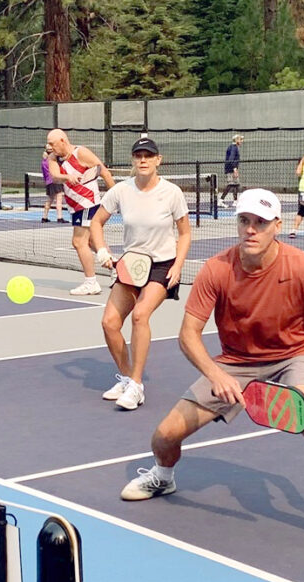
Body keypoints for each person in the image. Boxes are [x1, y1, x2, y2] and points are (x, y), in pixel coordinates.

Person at [119, 187, 304, 565]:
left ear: (276, 226)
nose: (251, 230)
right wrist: (215, 373)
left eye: (260, 223)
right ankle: (164, 477)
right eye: (245, 221)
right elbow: (188, 336)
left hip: (295, 355)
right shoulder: (217, 269)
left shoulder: (301, 267)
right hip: (234, 361)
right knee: (164, 436)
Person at [89, 137, 192, 411]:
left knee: (140, 315)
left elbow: (184, 233)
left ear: (159, 160)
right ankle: (125, 376)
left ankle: (137, 385)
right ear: (133, 161)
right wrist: (102, 251)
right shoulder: (121, 191)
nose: (143, 160)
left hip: (161, 265)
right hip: (130, 265)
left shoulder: (172, 193)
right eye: (138, 156)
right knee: (109, 322)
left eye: (149, 156)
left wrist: (178, 266)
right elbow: (96, 223)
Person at [46, 128, 116, 296]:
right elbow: (55, 175)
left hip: (89, 203)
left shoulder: (81, 153)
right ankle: (118, 269)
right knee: (92, 243)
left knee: (78, 242)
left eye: (52, 143)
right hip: (75, 206)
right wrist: (67, 177)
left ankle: (91, 282)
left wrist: (117, 196)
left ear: (63, 141)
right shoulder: (53, 157)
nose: (49, 147)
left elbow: (104, 172)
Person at [41, 144, 65, 223]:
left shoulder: (43, 162)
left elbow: (45, 175)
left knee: (49, 199)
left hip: (48, 182)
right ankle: (59, 217)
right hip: (56, 180)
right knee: (59, 198)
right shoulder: (53, 161)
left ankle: (44, 217)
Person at [219, 134, 243, 207]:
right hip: (230, 169)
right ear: (236, 140)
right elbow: (231, 159)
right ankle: (220, 200)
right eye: (240, 139)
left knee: (236, 185)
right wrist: (234, 169)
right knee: (230, 184)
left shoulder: (234, 147)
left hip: (232, 169)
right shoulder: (233, 148)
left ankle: (235, 201)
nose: (241, 141)